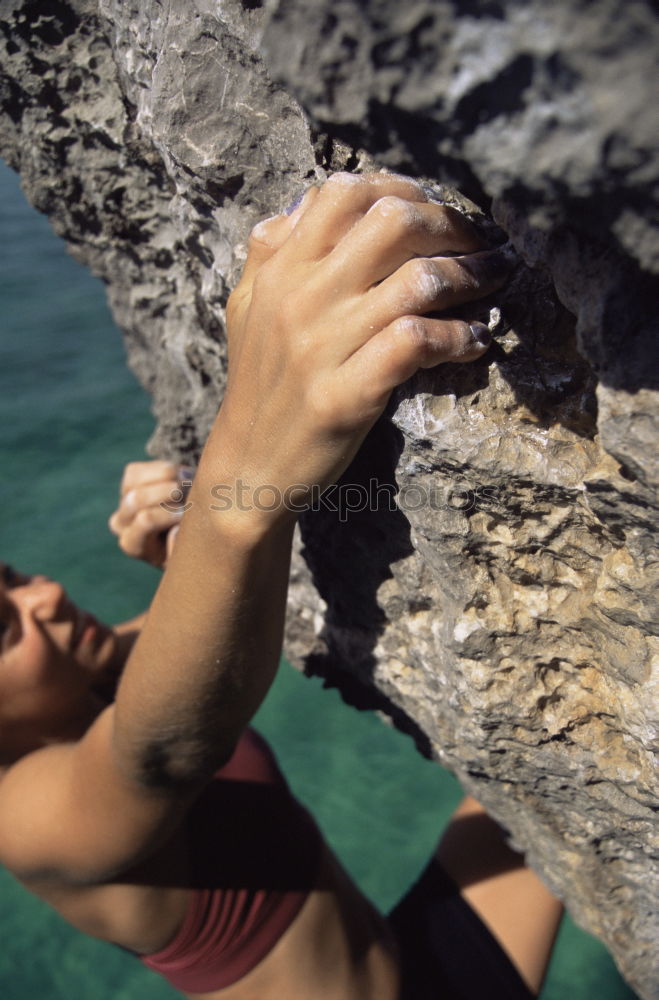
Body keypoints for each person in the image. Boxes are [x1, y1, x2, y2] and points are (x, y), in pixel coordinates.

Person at [0, 172, 562, 999]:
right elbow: (159, 748)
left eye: (11, 580)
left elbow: (182, 646)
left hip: (417, 964)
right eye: (5, 629)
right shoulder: (27, 825)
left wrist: (178, 562)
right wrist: (241, 484)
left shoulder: (90, 678)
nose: (43, 597)